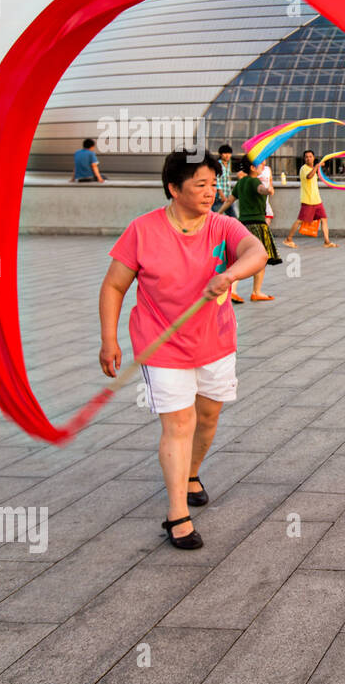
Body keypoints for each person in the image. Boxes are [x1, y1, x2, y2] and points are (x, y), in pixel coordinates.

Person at [97, 148, 268, 549]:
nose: (211, 192)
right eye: (201, 185)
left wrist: (229, 274)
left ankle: (192, 473)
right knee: (178, 424)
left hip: (216, 342)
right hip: (161, 345)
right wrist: (109, 340)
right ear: (174, 188)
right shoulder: (143, 230)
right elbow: (114, 286)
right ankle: (177, 514)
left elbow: (256, 253)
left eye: (214, 184)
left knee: (207, 417)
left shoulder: (222, 226)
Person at [232, 155, 282, 300]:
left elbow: (230, 200)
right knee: (261, 257)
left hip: (242, 225)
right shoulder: (254, 181)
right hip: (257, 225)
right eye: (260, 164)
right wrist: (268, 191)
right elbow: (261, 189)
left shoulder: (241, 183)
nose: (263, 166)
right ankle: (256, 292)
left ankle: (233, 290)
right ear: (252, 168)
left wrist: (218, 213)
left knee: (240, 258)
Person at [283, 149, 338, 248]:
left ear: (313, 157)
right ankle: (288, 239)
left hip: (317, 200)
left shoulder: (312, 168)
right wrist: (317, 166)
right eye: (306, 157)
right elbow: (309, 176)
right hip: (308, 201)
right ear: (304, 159)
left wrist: (316, 167)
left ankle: (327, 242)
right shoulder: (304, 168)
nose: (308, 158)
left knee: (324, 219)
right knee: (300, 220)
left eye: (310, 156)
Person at [214, 144, 244, 303]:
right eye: (225, 153)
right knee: (219, 217)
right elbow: (217, 182)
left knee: (232, 219)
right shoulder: (219, 165)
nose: (227, 156)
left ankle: (229, 238)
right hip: (221, 197)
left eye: (229, 153)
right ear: (221, 155)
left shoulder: (228, 165)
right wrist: (221, 195)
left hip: (227, 196)